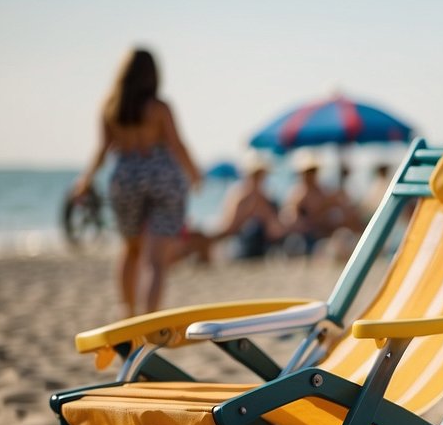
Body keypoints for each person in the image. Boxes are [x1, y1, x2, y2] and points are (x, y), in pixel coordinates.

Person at [71, 47, 201, 317]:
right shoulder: (159, 107)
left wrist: (86, 180)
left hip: (125, 177)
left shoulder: (110, 107)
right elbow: (178, 145)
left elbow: (102, 150)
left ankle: (128, 313)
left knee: (131, 250)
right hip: (162, 176)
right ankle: (149, 320)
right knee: (155, 260)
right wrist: (194, 174)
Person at [211, 151, 286, 258]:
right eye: (256, 175)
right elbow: (229, 228)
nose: (259, 179)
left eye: (260, 175)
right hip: (240, 244)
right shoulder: (239, 196)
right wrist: (247, 212)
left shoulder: (267, 198)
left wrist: (265, 214)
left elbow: (276, 231)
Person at [281, 151, 331, 255]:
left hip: (320, 233)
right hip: (304, 237)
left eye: (313, 171)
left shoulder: (322, 192)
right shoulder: (297, 194)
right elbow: (289, 219)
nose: (311, 175)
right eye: (308, 172)